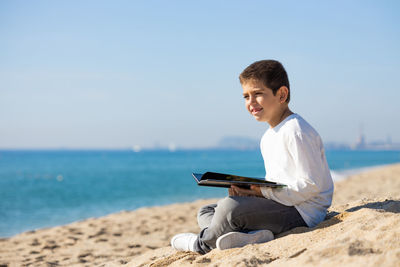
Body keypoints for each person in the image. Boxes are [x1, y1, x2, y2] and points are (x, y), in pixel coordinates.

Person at [170, 59, 334, 254]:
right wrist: (249, 192)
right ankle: (256, 234)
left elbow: (310, 185)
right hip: (281, 202)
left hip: (303, 211)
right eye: (246, 96)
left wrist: (260, 193)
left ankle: (201, 244)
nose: (251, 103)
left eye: (258, 94)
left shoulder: (296, 131)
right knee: (207, 210)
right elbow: (280, 180)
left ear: (281, 94)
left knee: (230, 210)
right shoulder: (268, 137)